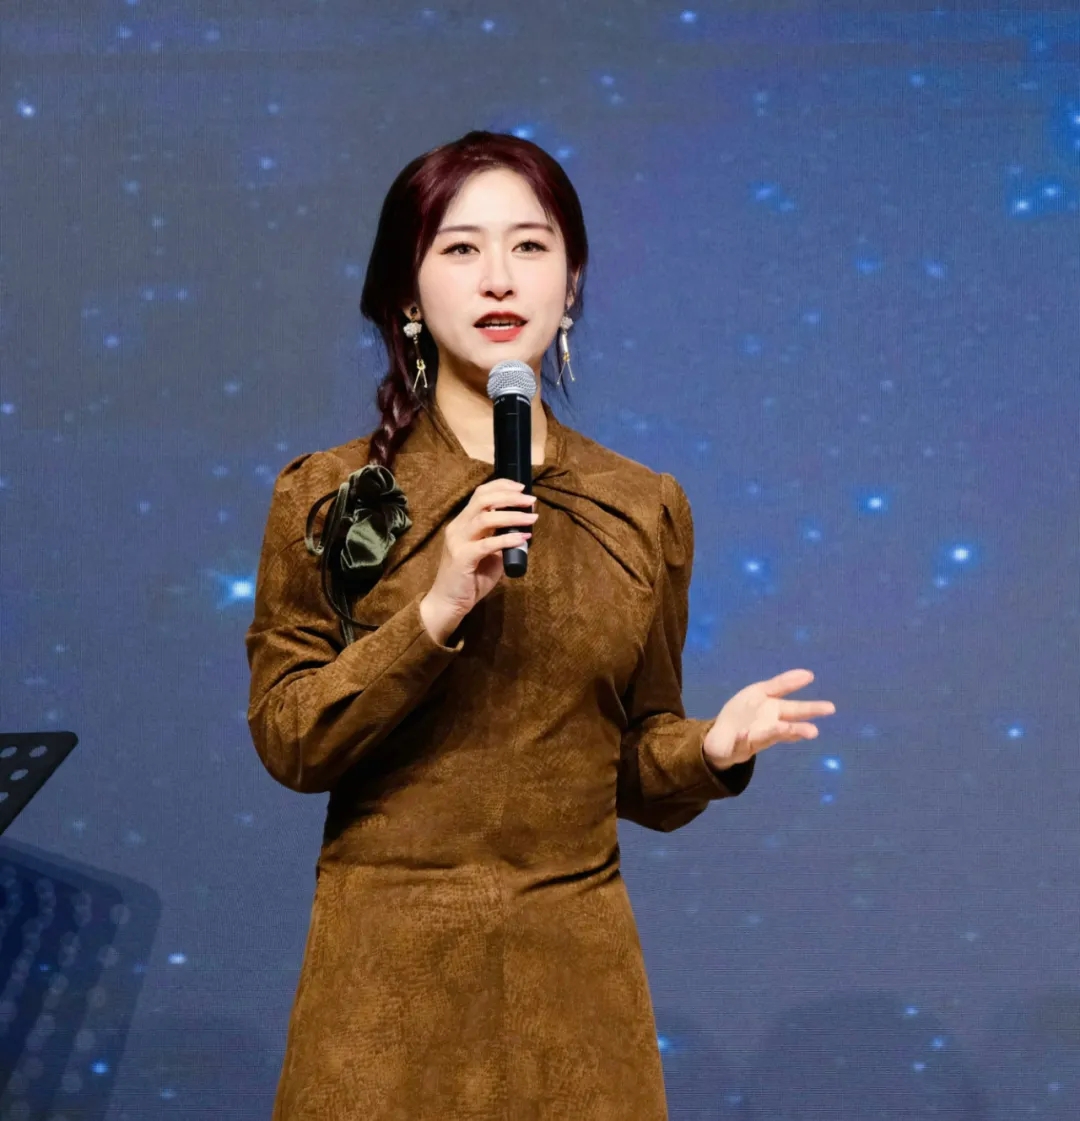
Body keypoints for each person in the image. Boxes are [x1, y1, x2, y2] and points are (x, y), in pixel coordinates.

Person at [245, 130, 836, 1121]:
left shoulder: (639, 504)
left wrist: (711, 748)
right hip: (385, 996)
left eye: (530, 245)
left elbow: (630, 764)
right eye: (460, 248)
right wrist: (436, 608)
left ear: (571, 285)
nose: (499, 276)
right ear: (407, 295)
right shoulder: (336, 496)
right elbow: (291, 736)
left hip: (576, 996)